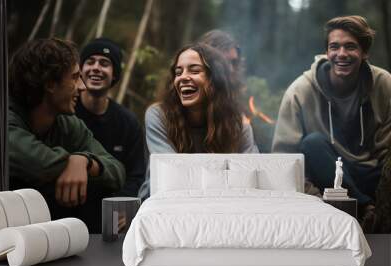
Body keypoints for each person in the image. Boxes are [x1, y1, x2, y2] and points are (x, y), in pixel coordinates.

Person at [272, 15, 391, 230]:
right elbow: (284, 159)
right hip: (327, 175)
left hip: (369, 174)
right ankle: (365, 209)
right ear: (327, 52)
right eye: (334, 47)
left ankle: (373, 209)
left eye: (350, 47)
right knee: (312, 143)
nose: (342, 54)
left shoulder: (384, 84)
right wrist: (316, 198)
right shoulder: (300, 91)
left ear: (364, 53)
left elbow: (386, 154)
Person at [8, 38, 126, 233]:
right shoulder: (3, 120)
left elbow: (117, 171)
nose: (82, 86)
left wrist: (84, 161)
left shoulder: (68, 124)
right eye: (74, 77)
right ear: (50, 83)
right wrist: (71, 162)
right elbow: (41, 165)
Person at [138, 43, 258, 199]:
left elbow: (252, 172)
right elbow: (172, 174)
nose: (183, 77)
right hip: (164, 205)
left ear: (215, 79)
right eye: (178, 72)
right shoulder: (158, 115)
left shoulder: (238, 124)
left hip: (222, 205)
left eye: (194, 71)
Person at [76, 38, 146, 197]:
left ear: (114, 74)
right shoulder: (66, 112)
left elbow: (136, 175)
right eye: (90, 62)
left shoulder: (128, 123)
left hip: (111, 211)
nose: (96, 68)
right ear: (80, 70)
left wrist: (122, 205)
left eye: (104, 63)